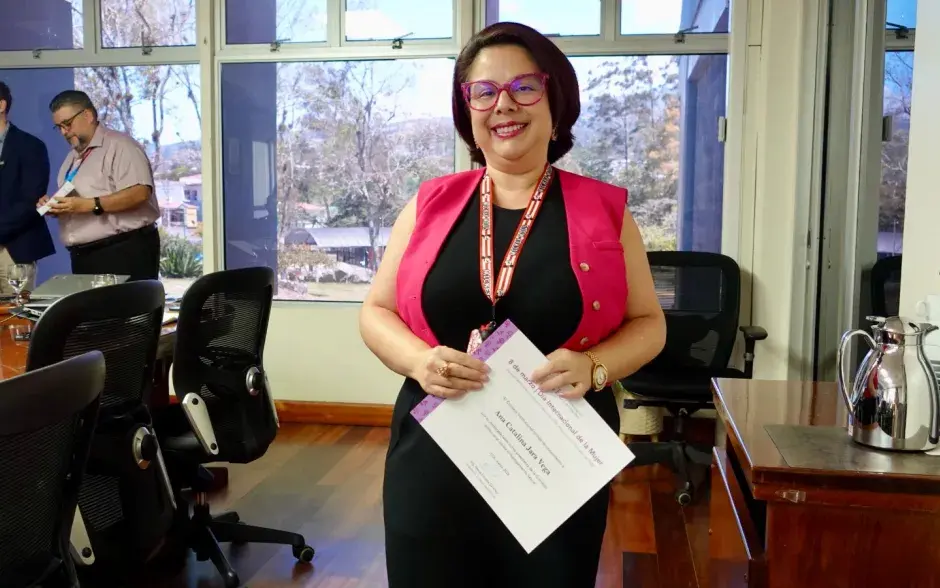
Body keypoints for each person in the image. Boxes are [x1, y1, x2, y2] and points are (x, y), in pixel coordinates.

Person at [359, 21, 667, 588]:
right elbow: (375, 312)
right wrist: (419, 361)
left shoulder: (605, 211)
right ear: (468, 113)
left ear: (556, 102)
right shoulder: (429, 204)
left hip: (553, 456)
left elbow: (649, 324)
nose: (503, 104)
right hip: (436, 452)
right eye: (483, 91)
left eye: (524, 87)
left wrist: (596, 366)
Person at [38, 90, 161, 281]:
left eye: (67, 124)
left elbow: (140, 192)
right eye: (59, 127)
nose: (63, 132)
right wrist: (57, 207)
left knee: (124, 302)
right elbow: (79, 200)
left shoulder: (120, 145)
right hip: (85, 256)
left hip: (122, 252)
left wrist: (89, 205)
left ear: (88, 115)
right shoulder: (72, 157)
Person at [0, 81, 56, 293]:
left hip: (14, 252)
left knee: (16, 313)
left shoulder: (30, 146)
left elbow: (32, 201)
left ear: (1, 105)